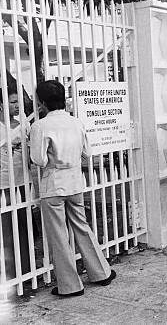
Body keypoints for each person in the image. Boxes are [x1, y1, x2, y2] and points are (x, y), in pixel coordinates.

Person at [30, 80, 115, 297]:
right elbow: (87, 153)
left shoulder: (40, 126)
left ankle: (70, 286)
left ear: (42, 102)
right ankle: (101, 272)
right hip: (75, 182)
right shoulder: (76, 122)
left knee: (59, 236)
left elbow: (39, 159)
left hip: (54, 184)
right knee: (82, 227)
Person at [0, 85, 32, 282]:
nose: (17, 106)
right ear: (1, 104)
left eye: (18, 102)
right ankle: (9, 272)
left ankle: (26, 269)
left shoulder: (23, 124)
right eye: (12, 102)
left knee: (23, 226)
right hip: (3, 184)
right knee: (6, 229)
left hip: (23, 181)